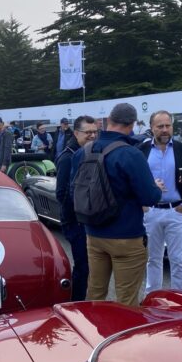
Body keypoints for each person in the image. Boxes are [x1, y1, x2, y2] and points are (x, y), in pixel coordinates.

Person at [70, 103, 162, 306]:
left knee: (95, 293)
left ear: (108, 121)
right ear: (132, 125)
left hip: (93, 235)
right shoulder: (131, 154)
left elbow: (72, 192)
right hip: (126, 236)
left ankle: (93, 325)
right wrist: (156, 187)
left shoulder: (82, 152)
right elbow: (150, 197)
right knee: (127, 300)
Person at [138, 111, 182, 295]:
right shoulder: (141, 150)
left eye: (167, 126)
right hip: (151, 211)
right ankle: (152, 297)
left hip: (176, 210)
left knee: (178, 259)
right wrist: (143, 203)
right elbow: (134, 179)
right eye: (160, 126)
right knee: (153, 259)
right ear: (151, 127)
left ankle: (181, 298)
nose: (164, 130)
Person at [55, 115, 97, 301]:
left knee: (93, 267)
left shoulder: (91, 152)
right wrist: (79, 210)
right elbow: (61, 194)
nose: (92, 135)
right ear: (76, 133)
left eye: (95, 132)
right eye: (88, 132)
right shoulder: (67, 157)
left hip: (90, 220)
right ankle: (76, 303)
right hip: (75, 222)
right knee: (83, 266)